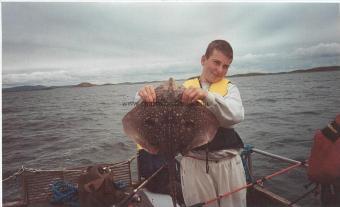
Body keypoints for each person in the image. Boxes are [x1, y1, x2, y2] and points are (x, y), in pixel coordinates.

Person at [137, 39, 246, 207]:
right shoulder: (184, 87)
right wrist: (143, 94)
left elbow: (236, 115)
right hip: (193, 163)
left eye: (226, 66)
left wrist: (207, 96)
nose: (220, 70)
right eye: (216, 62)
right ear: (203, 60)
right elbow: (146, 104)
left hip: (228, 163)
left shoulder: (231, 88)